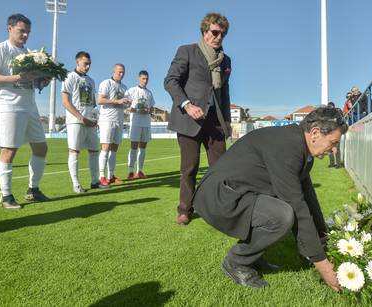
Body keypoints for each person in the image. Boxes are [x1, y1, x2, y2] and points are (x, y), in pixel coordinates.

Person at [193, 106, 348, 289]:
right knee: (281, 215)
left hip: (236, 192)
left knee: (280, 211)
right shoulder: (288, 146)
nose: (334, 150)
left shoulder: (300, 147)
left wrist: (323, 238)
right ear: (315, 133)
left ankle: (254, 257)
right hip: (219, 196)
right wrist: (323, 265)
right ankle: (236, 261)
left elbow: (308, 199)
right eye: (333, 142)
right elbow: (297, 206)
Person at [164, 13, 232, 225]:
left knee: (221, 168)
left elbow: (225, 92)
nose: (219, 37)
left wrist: (227, 121)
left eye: (223, 33)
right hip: (189, 120)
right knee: (190, 167)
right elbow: (170, 81)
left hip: (215, 122)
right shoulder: (187, 51)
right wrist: (187, 105)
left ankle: (219, 208)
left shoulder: (226, 60)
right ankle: (185, 209)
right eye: (215, 32)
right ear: (204, 32)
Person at [0, 13, 51, 209]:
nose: (25, 36)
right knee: (9, 151)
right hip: (9, 106)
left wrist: (41, 81)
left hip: (30, 106)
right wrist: (18, 77)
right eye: (22, 31)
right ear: (9, 28)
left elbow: (30, 80)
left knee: (41, 148)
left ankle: (33, 190)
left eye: (28, 32)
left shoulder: (29, 54)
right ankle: (6, 196)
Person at [61, 51, 106, 193]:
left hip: (90, 122)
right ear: (77, 62)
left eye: (89, 64)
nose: (87, 67)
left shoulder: (91, 81)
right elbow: (65, 102)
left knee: (94, 151)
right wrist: (81, 118)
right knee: (74, 151)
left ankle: (94, 181)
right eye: (85, 64)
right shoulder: (68, 77)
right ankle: (76, 184)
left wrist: (95, 117)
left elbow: (92, 103)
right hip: (76, 121)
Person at [97, 64, 131, 187]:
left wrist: (127, 103)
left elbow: (125, 103)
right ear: (113, 71)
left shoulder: (124, 87)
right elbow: (100, 100)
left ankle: (111, 176)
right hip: (107, 119)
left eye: (123, 72)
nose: (121, 74)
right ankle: (101, 176)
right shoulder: (106, 83)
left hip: (119, 120)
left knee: (114, 149)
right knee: (105, 147)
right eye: (119, 72)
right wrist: (117, 101)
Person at [125, 70, 156, 180]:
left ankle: (140, 170)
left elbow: (152, 107)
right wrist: (137, 110)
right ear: (139, 78)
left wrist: (149, 110)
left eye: (147, 79)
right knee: (133, 146)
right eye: (143, 78)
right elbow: (126, 105)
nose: (145, 81)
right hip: (135, 123)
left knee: (143, 147)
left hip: (146, 123)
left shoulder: (149, 93)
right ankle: (131, 171)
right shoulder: (132, 91)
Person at [327, 102, 341, 168]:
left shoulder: (337, 113)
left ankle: (338, 164)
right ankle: (332, 163)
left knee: (337, 148)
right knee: (329, 149)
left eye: (331, 107)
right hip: (329, 133)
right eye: (329, 107)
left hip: (336, 133)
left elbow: (340, 121)